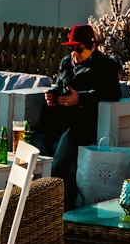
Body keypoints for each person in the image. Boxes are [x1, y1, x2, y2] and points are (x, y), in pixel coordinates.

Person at [35, 24, 121, 210]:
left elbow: (113, 93)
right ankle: (38, 205)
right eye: (71, 49)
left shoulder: (105, 65)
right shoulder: (66, 62)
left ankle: (63, 208)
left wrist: (81, 98)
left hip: (84, 124)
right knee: (36, 145)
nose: (75, 53)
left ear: (92, 46)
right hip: (59, 120)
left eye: (79, 49)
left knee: (60, 163)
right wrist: (53, 95)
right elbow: (60, 84)